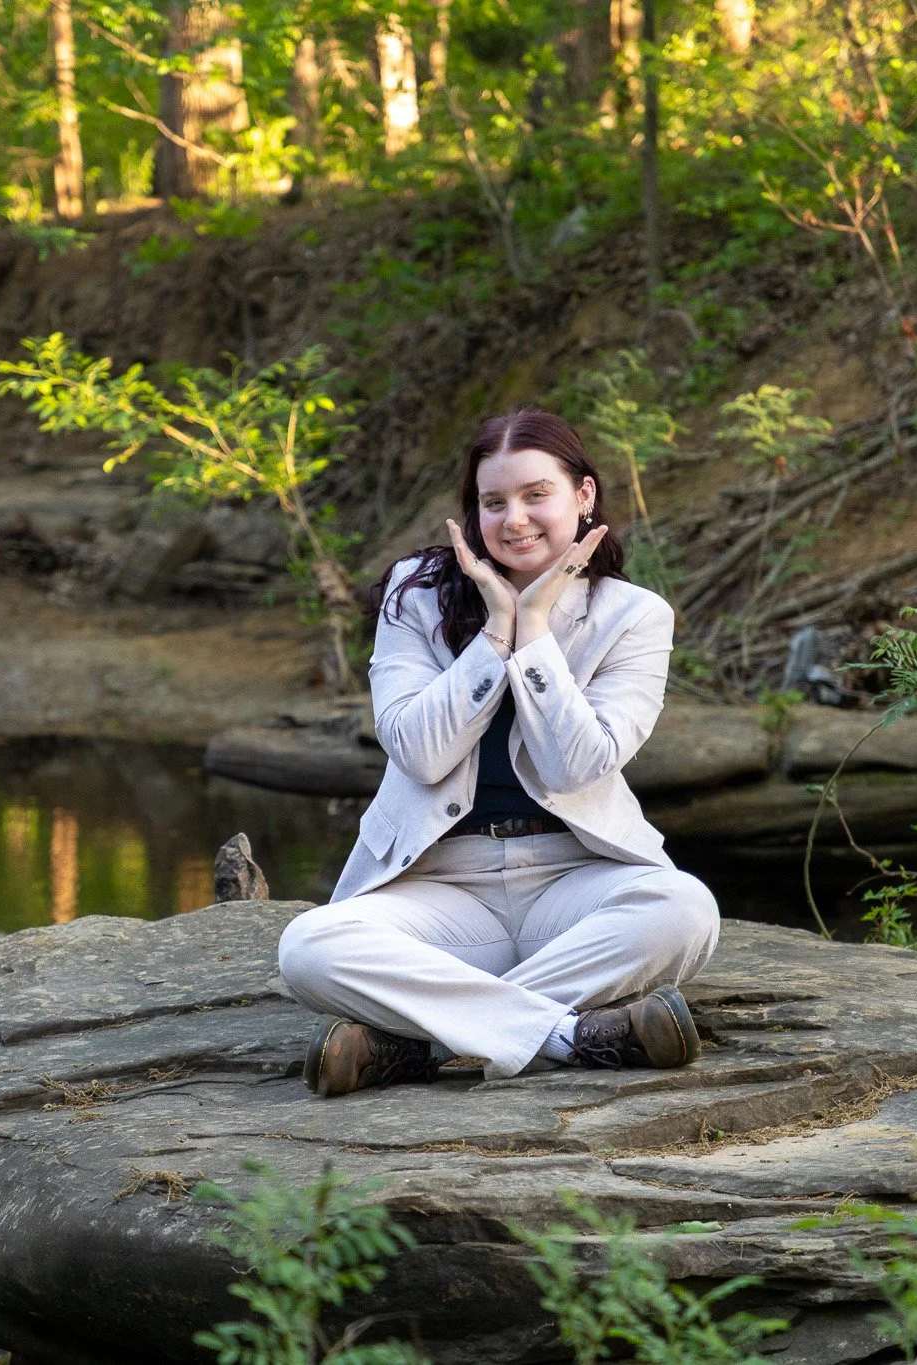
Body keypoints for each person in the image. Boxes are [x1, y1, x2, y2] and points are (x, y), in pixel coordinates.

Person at [277, 409, 720, 1097]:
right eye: (493, 502)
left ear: (584, 495)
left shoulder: (634, 616)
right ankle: (572, 1036)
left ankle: (417, 1047)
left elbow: (578, 765)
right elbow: (420, 753)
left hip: (573, 883)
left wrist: (535, 630)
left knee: (685, 910)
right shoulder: (417, 597)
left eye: (535, 494)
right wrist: (495, 634)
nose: (514, 519)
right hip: (439, 889)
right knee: (307, 947)